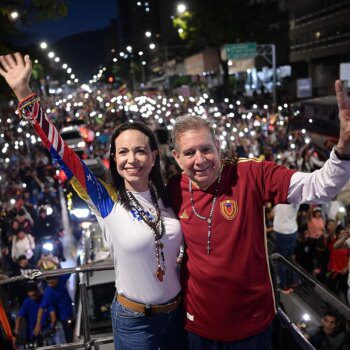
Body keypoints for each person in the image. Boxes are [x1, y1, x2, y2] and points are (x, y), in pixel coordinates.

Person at [0, 52, 184, 350]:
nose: (132, 159)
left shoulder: (172, 193)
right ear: (114, 158)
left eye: (140, 151)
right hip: (134, 323)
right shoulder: (106, 199)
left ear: (154, 156)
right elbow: (63, 154)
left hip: (178, 316)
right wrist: (25, 94)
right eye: (123, 152)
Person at [167, 76, 350, 349]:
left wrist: (344, 149)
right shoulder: (171, 188)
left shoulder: (250, 173)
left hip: (252, 326)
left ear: (218, 148)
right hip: (199, 326)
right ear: (176, 157)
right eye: (189, 152)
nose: (200, 159)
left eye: (206, 149)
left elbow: (318, 188)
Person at [33, 275, 73, 343]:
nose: (50, 285)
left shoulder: (62, 278)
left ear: (57, 278)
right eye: (48, 283)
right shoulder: (48, 293)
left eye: (51, 283)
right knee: (68, 337)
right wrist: (38, 324)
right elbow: (41, 308)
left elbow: (72, 271)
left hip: (72, 311)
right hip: (63, 318)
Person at [14, 283, 55, 347]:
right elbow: (19, 317)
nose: (32, 298)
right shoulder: (27, 302)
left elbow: (53, 314)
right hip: (31, 335)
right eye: (30, 296)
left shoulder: (45, 299)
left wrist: (51, 328)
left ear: (37, 291)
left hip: (45, 333)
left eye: (34, 295)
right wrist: (16, 333)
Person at [272, 203, 300, 294]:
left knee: (281, 261)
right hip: (292, 232)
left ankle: (284, 286)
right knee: (288, 259)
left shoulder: (285, 202)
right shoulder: (293, 201)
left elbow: (272, 214)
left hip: (283, 234)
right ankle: (293, 281)